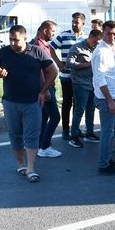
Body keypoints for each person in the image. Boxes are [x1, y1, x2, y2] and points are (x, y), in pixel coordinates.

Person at [0, 25, 58, 183]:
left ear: (25, 39)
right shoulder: (3, 52)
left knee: (32, 135)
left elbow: (53, 71)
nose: (13, 43)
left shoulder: (37, 51)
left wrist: (43, 91)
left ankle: (31, 168)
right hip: (10, 102)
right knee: (15, 134)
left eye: (16, 40)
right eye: (11, 40)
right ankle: (21, 164)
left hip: (33, 102)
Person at [92, 20, 115, 174]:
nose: (112, 37)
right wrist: (110, 101)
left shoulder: (110, 49)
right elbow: (99, 78)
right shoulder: (101, 52)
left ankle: (108, 159)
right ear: (103, 34)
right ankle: (103, 165)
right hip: (107, 99)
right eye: (109, 33)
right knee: (107, 132)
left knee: (114, 129)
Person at [49, 12, 86, 140]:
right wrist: (59, 63)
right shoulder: (64, 35)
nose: (74, 24)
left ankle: (75, 129)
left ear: (83, 23)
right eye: (73, 22)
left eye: (77, 22)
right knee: (67, 103)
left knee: (78, 103)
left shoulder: (85, 38)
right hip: (66, 76)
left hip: (80, 77)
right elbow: (51, 48)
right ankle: (65, 130)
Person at [66, 29, 103, 148]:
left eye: (99, 42)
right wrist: (86, 65)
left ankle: (89, 133)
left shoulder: (97, 49)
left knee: (91, 109)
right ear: (90, 37)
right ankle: (74, 135)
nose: (97, 44)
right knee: (79, 109)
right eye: (95, 41)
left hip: (93, 83)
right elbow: (69, 63)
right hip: (80, 83)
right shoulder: (77, 47)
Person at [31, 21, 62, 158]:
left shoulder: (42, 44)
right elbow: (40, 71)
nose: (54, 34)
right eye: (52, 31)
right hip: (46, 87)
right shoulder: (38, 46)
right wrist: (45, 90)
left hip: (44, 87)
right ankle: (45, 146)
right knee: (55, 117)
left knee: (44, 117)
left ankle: (40, 145)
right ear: (45, 31)